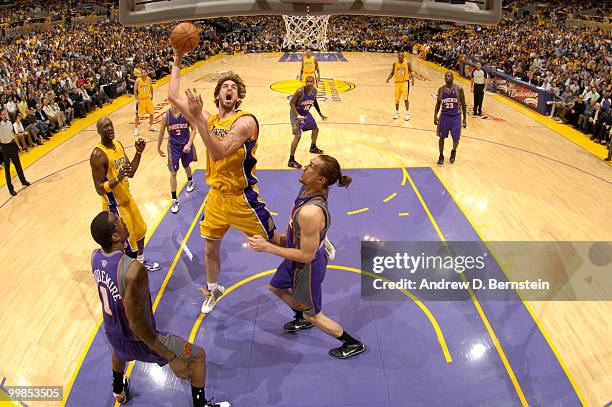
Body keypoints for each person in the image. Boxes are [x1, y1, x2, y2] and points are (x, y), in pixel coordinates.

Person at [168, 49, 278, 314]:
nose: (229, 90)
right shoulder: (209, 119)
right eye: (224, 87)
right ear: (217, 94)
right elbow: (172, 95)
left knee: (275, 242)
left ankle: (313, 245)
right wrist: (177, 59)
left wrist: (197, 120)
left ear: (238, 97)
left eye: (233, 88)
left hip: (242, 197)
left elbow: (219, 151)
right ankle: (213, 287)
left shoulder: (245, 122)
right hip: (216, 197)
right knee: (209, 247)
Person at [89, 211, 230, 407]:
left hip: (114, 334)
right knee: (198, 356)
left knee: (119, 352)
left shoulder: (95, 257)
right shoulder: (133, 270)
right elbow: (138, 326)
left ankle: (119, 390)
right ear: (115, 236)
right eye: (118, 220)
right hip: (142, 341)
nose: (123, 220)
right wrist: (171, 357)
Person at [248, 155, 365, 359]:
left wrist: (267, 247)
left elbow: (306, 255)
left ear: (321, 179)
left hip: (306, 268)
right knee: (276, 286)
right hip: (296, 258)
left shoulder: (311, 212)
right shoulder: (307, 190)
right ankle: (300, 315)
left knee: (314, 316)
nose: (304, 166)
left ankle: (351, 342)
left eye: (311, 166)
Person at [90, 116, 160, 271]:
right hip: (115, 206)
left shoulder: (118, 144)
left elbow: (131, 171)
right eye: (105, 127)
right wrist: (117, 178)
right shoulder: (98, 155)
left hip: (127, 199)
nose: (109, 128)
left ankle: (140, 263)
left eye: (111, 125)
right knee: (128, 245)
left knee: (141, 232)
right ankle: (130, 273)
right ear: (98, 131)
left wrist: (138, 153)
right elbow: (99, 188)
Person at [157, 104, 197, 214]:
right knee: (173, 173)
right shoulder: (166, 116)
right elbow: (161, 133)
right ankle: (174, 199)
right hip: (173, 147)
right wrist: (158, 147)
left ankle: (190, 181)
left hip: (185, 145)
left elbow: (194, 129)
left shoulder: (186, 113)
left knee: (186, 166)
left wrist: (189, 144)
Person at [288, 75, 327, 169]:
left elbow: (315, 102)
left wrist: (320, 114)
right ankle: (291, 160)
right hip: (295, 114)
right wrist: (298, 116)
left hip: (305, 113)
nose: (309, 83)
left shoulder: (314, 91)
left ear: (314, 82)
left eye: (311, 82)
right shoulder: (300, 91)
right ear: (305, 82)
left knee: (315, 129)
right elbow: (291, 103)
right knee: (297, 136)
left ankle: (313, 147)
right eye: (308, 81)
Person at [434, 72, 467, 166]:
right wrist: (435, 115)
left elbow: (464, 104)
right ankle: (441, 155)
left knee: (456, 139)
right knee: (441, 137)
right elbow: (438, 104)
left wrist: (464, 119)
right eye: (446, 76)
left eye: (449, 76)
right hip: (444, 117)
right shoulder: (441, 89)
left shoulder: (459, 89)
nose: (447, 77)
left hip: (456, 117)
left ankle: (453, 151)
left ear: (453, 78)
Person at [0, 108, 30, 196]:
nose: (4, 115)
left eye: (5, 113)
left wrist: (18, 145)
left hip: (12, 145)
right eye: (2, 114)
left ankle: (23, 180)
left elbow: (14, 135)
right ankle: (11, 189)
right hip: (5, 148)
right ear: (0, 116)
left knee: (18, 164)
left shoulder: (9, 123)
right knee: (7, 169)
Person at [385, 51, 414, 120]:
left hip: (405, 83)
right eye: (399, 55)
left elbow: (411, 71)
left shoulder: (407, 63)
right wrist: (387, 79)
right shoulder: (395, 64)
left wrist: (413, 79)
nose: (400, 56)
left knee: (405, 99)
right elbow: (392, 73)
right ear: (398, 57)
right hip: (397, 83)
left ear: (403, 57)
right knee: (396, 99)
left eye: (402, 55)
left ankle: (407, 113)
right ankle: (397, 112)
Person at [134, 68, 158, 137]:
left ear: (147, 73)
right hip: (141, 100)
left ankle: (151, 126)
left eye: (145, 72)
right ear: (141, 73)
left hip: (147, 99)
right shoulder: (138, 80)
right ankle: (136, 129)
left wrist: (152, 95)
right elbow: (135, 91)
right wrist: (136, 99)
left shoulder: (149, 79)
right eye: (142, 72)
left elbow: (151, 87)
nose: (143, 73)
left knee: (152, 113)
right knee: (138, 115)